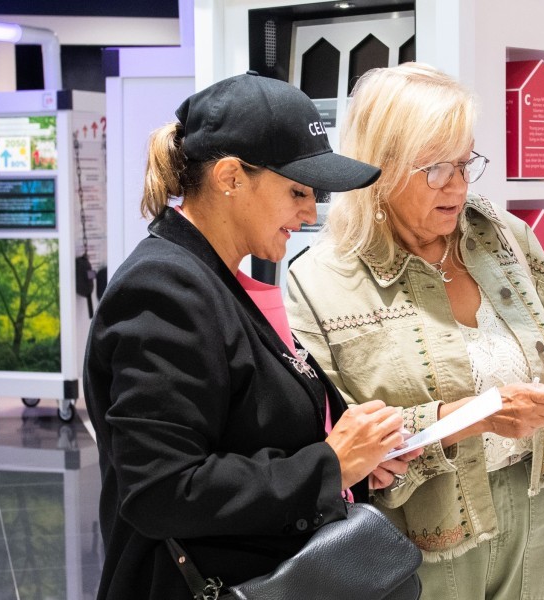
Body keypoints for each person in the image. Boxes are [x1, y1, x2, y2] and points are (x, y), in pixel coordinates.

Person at [84, 73, 420, 600]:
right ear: (231, 177)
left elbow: (250, 435)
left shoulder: (219, 280)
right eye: (297, 191)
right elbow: (162, 490)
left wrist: (354, 462)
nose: (309, 213)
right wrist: (329, 467)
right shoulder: (163, 289)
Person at [285, 63, 544, 600]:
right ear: (380, 166)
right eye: (437, 169)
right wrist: (477, 414)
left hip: (536, 507)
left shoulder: (502, 235)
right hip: (417, 532)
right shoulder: (322, 279)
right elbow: (333, 440)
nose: (458, 186)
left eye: (465, 163)